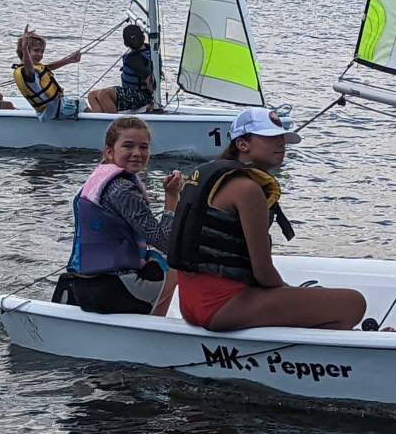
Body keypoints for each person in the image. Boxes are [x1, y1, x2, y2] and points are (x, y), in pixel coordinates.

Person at [166, 107, 366, 332]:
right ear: (242, 145)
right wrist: (286, 291)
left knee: (313, 303)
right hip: (220, 306)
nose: (280, 144)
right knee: (353, 304)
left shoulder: (208, 176)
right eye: (270, 138)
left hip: (191, 304)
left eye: (281, 138)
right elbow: (263, 272)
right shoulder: (248, 189)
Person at [52, 116, 185, 315]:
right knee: (176, 267)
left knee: (156, 260)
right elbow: (166, 241)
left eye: (144, 147)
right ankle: (152, 329)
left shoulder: (99, 179)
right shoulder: (123, 189)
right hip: (109, 289)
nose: (137, 153)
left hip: (84, 282)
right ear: (109, 151)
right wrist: (172, 196)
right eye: (128, 146)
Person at [13, 25, 82, 120]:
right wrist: (24, 48)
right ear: (25, 52)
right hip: (56, 111)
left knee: (89, 98)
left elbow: (47, 68)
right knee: (83, 104)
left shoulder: (36, 68)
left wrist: (69, 60)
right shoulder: (27, 72)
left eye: (42, 52)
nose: (40, 54)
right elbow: (28, 66)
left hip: (58, 106)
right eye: (36, 51)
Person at [87, 24, 155, 114]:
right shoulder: (149, 51)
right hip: (130, 94)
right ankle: (99, 121)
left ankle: (114, 123)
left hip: (141, 97)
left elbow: (148, 77)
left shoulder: (134, 59)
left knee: (104, 94)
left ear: (126, 43)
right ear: (143, 38)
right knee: (92, 95)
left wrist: (153, 102)